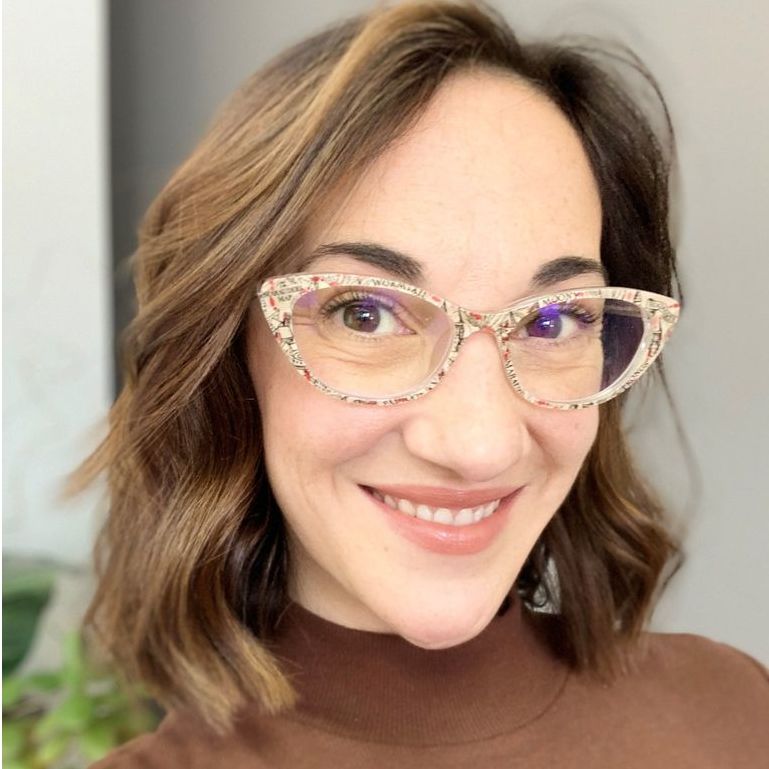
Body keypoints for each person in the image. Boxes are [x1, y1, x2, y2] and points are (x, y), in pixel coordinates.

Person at [82, 1, 769, 766]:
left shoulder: (736, 718)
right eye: (366, 313)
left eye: (552, 321)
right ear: (231, 348)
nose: (478, 444)